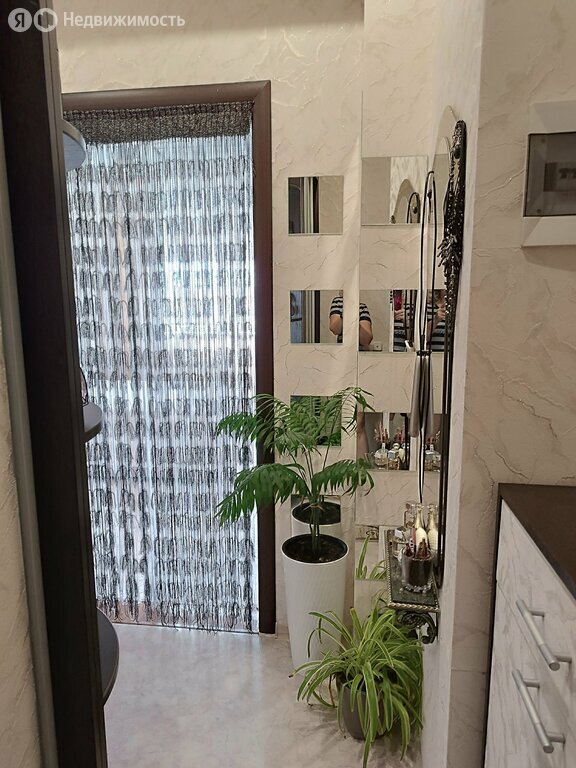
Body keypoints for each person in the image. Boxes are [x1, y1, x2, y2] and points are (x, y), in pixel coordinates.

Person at [328, 294, 373, 455]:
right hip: (342, 365)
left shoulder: (362, 306)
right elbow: (335, 328)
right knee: (344, 419)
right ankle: (344, 461)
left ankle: (361, 465)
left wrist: (354, 314)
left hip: (360, 365)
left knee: (359, 421)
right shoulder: (337, 302)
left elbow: (366, 339)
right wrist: (347, 310)